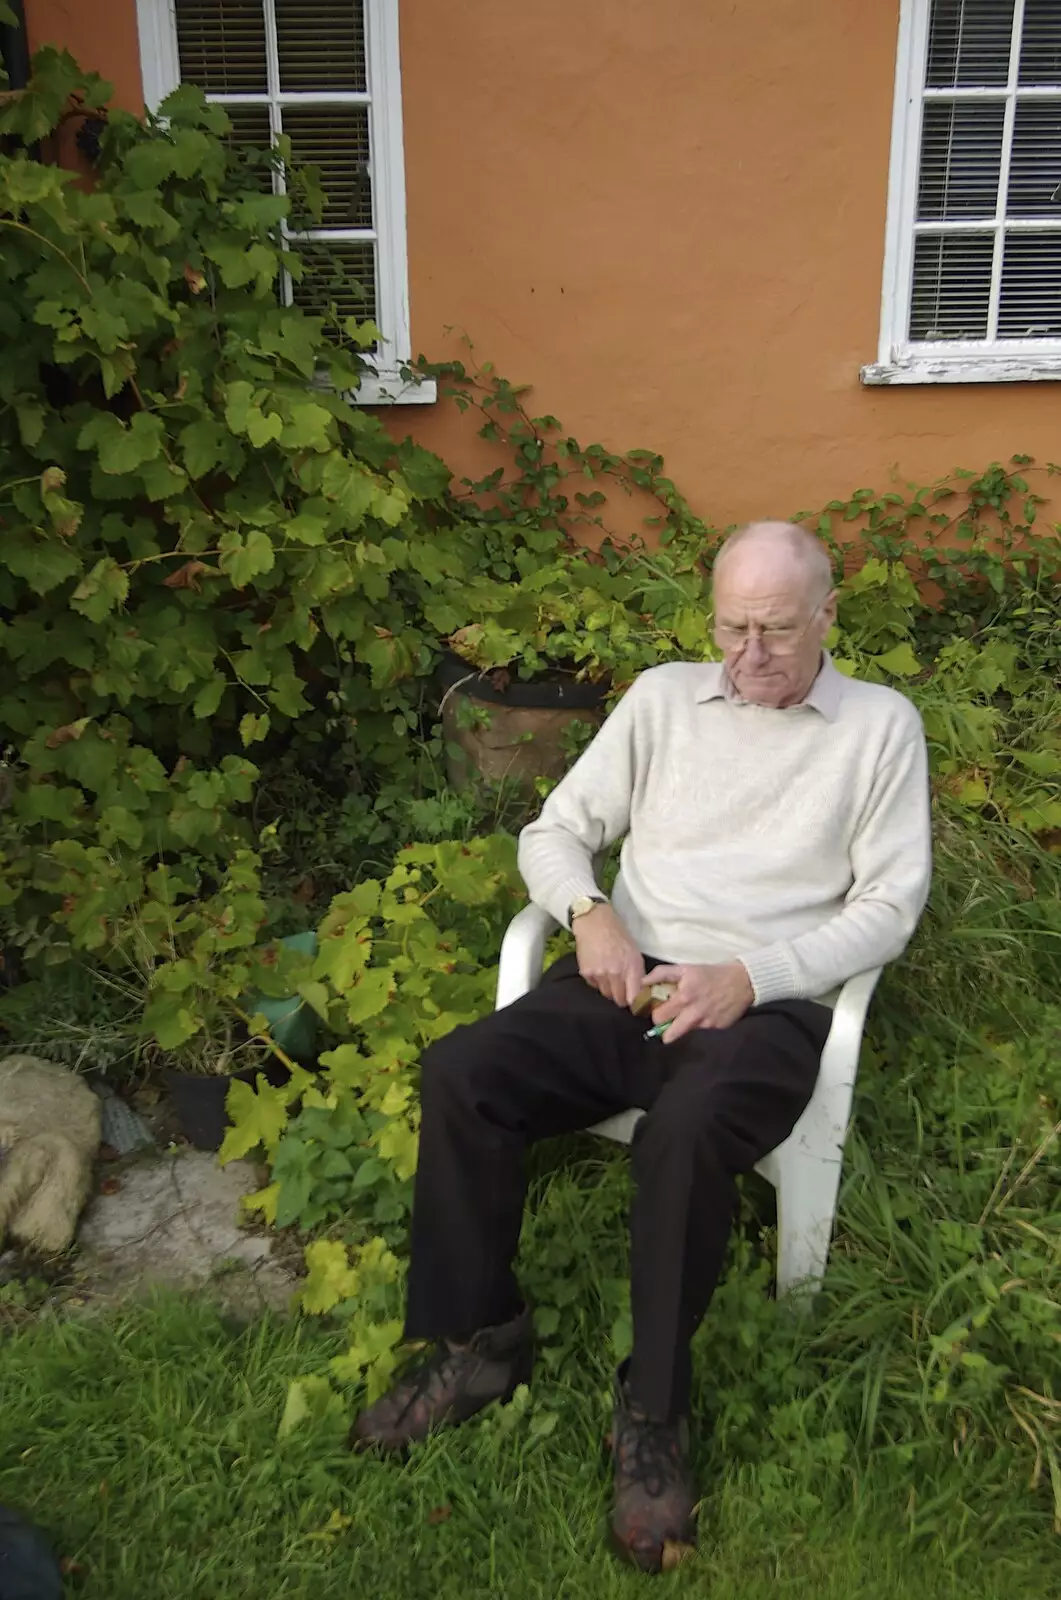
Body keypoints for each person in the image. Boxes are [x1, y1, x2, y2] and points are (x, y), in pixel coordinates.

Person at [351, 521, 932, 1574]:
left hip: (761, 1004)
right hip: (626, 978)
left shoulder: (879, 729)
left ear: (827, 617)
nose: (748, 652)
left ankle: (652, 1411)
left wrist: (751, 976)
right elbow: (553, 829)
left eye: (775, 629)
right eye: (730, 626)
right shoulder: (663, 699)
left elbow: (891, 907)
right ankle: (481, 1341)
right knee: (462, 1072)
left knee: (684, 1132)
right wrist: (588, 916)